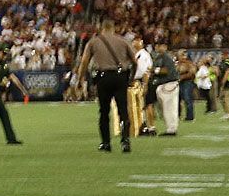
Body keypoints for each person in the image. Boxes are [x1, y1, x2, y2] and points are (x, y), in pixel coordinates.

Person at [76, 19, 137, 152]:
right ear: (114, 28)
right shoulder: (123, 41)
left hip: (103, 78)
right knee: (123, 111)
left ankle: (106, 143)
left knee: (104, 112)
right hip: (120, 77)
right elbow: (134, 61)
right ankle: (125, 141)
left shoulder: (93, 42)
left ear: (101, 28)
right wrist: (131, 78)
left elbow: (84, 62)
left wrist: (80, 80)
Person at [149, 43, 181, 136]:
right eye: (157, 46)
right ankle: (170, 128)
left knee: (169, 108)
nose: (158, 47)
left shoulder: (166, 57)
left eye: (160, 45)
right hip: (164, 84)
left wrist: (154, 70)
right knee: (165, 109)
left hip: (169, 84)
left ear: (165, 47)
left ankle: (171, 130)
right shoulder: (160, 57)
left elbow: (166, 70)